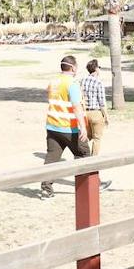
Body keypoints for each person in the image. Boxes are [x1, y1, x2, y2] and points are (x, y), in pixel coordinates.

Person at [41, 55, 89, 198]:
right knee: (84, 154)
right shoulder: (72, 83)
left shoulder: (53, 81)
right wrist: (83, 127)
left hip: (52, 126)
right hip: (69, 127)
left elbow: (51, 97)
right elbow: (76, 107)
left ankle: (46, 189)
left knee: (52, 158)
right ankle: (88, 185)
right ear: (73, 67)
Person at [78, 59, 108, 155]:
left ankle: (80, 152)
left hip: (85, 112)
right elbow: (102, 102)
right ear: (96, 69)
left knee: (87, 135)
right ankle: (93, 159)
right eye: (99, 67)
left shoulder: (82, 80)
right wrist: (106, 116)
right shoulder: (99, 83)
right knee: (97, 138)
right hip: (96, 113)